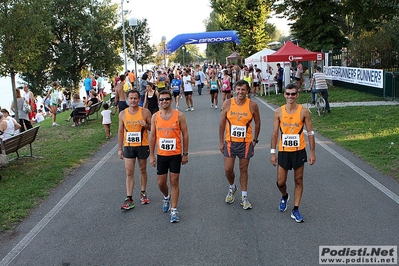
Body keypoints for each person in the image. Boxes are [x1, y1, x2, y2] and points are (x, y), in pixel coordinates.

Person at [270, 83, 316, 223]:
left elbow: (310, 132)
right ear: (284, 94)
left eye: (293, 94)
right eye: (288, 94)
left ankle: (295, 209)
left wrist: (312, 152)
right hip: (284, 151)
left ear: (297, 95)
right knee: (280, 181)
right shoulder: (278, 112)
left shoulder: (304, 111)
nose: (290, 96)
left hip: (298, 151)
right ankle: (284, 196)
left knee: (298, 180)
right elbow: (275, 133)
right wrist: (273, 152)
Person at [219, 80, 261, 210]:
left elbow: (258, 123)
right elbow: (221, 124)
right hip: (230, 142)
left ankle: (244, 196)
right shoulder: (227, 103)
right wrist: (221, 142)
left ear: (247, 91)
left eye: (243, 89)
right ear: (234, 90)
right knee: (228, 169)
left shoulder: (252, 105)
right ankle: (232, 187)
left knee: (243, 170)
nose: (240, 92)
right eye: (238, 89)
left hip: (246, 143)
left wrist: (255, 140)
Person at [149, 90, 189, 223]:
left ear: (171, 100)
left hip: (175, 154)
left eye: (166, 99)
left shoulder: (179, 115)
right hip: (161, 155)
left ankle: (174, 210)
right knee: (161, 183)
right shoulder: (155, 116)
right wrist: (152, 155)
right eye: (161, 100)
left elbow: (185, 135)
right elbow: (153, 136)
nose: (164, 101)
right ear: (158, 101)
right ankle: (166, 196)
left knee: (174, 181)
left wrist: (185, 154)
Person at [118, 89, 152, 210]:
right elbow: (121, 131)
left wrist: (146, 125)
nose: (133, 100)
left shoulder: (145, 112)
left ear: (139, 99)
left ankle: (143, 192)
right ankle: (129, 198)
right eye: (131, 98)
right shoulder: (123, 114)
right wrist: (119, 149)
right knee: (129, 172)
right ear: (127, 99)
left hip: (142, 145)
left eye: (135, 98)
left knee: (142, 169)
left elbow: (152, 128)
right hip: (128, 146)